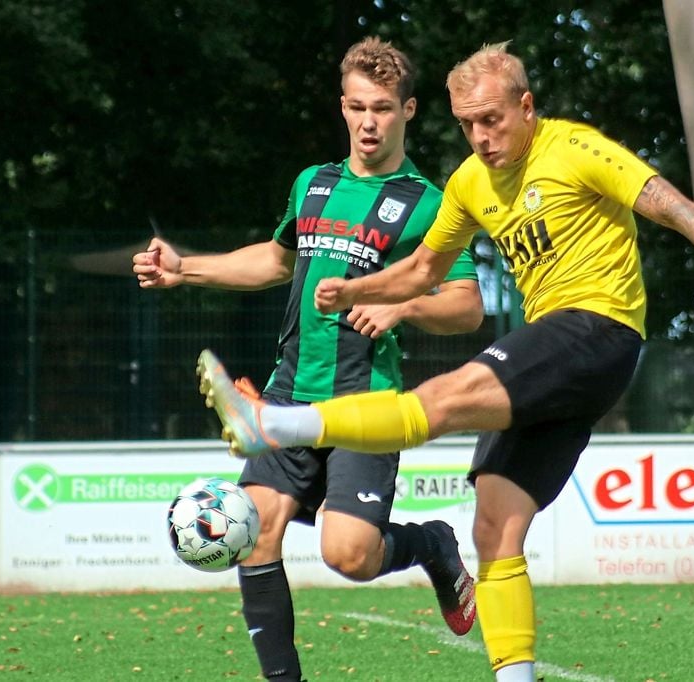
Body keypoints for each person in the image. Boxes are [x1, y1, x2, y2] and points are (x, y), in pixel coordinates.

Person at [196, 42, 694, 681]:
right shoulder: (468, 182)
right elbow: (421, 270)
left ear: (526, 106)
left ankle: (275, 424)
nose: (480, 135)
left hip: (595, 326)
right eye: (466, 123)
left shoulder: (573, 149)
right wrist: (360, 291)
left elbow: (672, 205)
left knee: (449, 395)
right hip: (562, 367)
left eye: (492, 119)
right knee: (494, 524)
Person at [135, 37, 483, 682]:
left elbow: (466, 305)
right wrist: (187, 269)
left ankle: (432, 544)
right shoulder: (313, 184)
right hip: (287, 392)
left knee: (348, 555)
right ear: (343, 108)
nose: (368, 122)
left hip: (365, 402)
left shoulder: (428, 202)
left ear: (408, 110)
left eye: (382, 107)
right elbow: (274, 261)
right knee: (254, 530)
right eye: (356, 107)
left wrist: (403, 308)